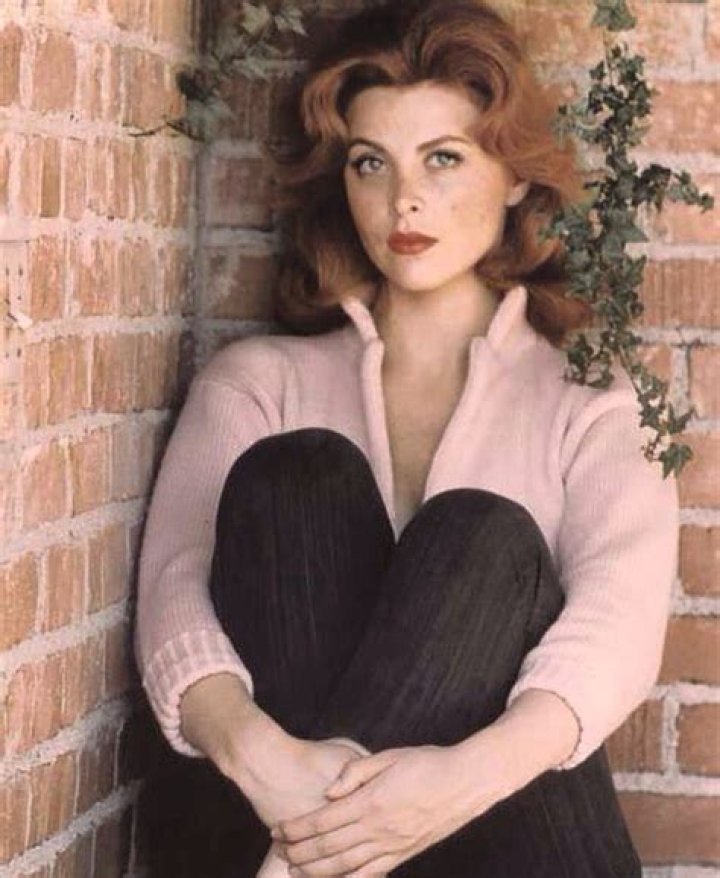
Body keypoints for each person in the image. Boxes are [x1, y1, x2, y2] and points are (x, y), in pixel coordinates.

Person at [134, 1, 680, 876]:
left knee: (482, 535)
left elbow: (619, 629)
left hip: (497, 824)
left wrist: (452, 785)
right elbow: (174, 589)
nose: (405, 199)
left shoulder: (596, 404)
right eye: (371, 163)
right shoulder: (257, 385)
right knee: (299, 476)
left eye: (443, 157)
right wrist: (263, 763)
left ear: (513, 177)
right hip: (270, 804)